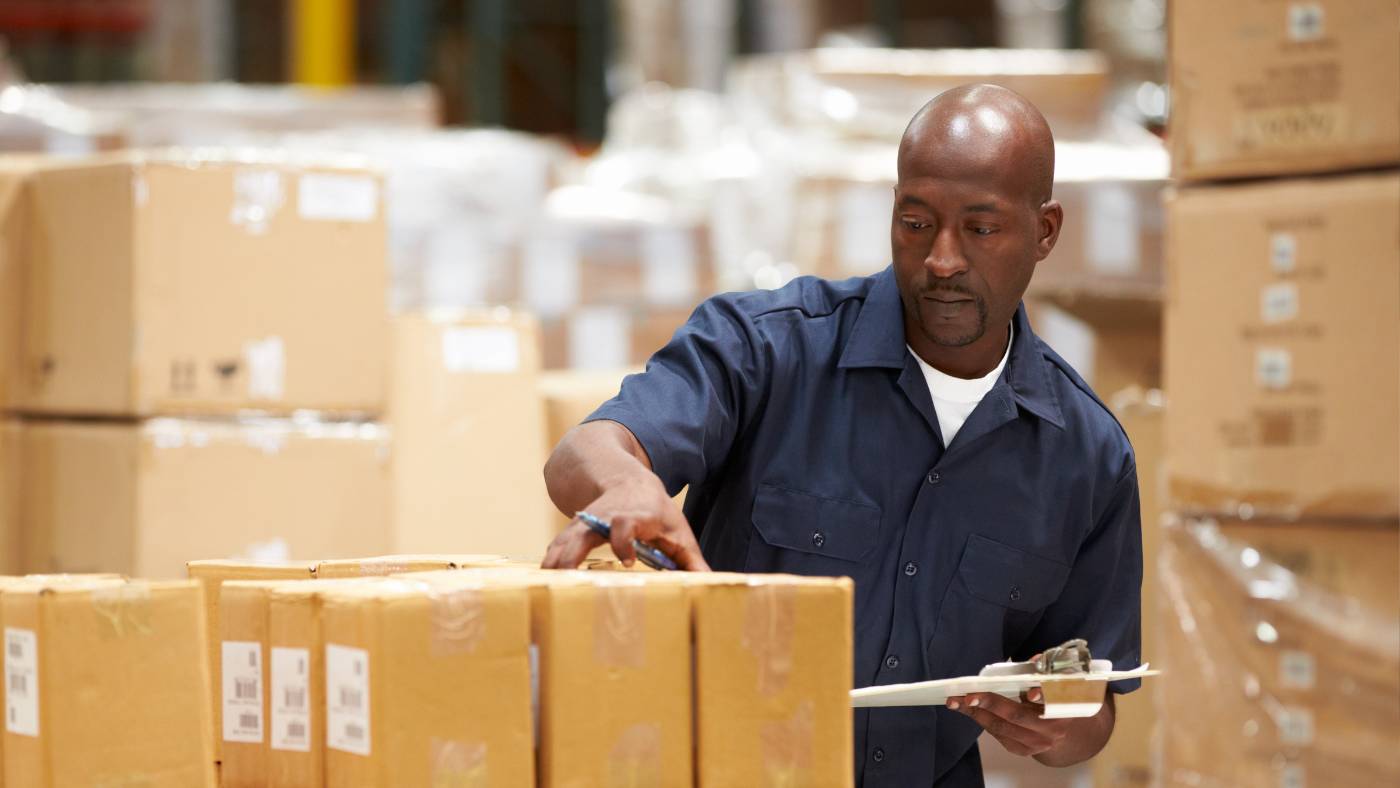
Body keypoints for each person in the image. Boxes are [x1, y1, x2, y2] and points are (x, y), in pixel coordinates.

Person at [541, 83, 1142, 786]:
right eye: (917, 223)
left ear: (1045, 232)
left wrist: (1060, 728)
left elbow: (1093, 708)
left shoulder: (1087, 457)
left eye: (980, 229)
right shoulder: (766, 351)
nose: (942, 260)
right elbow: (583, 452)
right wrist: (627, 484)